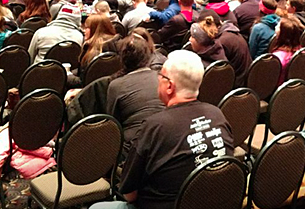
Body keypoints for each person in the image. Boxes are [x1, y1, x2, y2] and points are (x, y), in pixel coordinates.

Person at [91, 50, 233, 209]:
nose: (158, 79)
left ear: (170, 86)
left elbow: (130, 194)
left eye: (161, 76)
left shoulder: (154, 126)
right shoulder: (218, 114)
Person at [107, 33, 165, 158]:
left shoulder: (116, 86)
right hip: (164, 144)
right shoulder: (162, 78)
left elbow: (113, 126)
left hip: (131, 152)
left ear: (122, 59)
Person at [271, 16, 304, 84]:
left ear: (282, 33)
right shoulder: (302, 51)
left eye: (278, 26)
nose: (276, 27)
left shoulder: (277, 58)